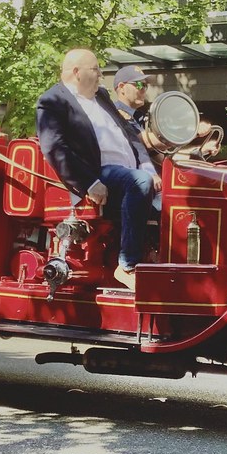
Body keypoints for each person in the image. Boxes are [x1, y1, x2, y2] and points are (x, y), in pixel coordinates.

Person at [37, 49, 160, 291]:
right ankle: (127, 266)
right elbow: (54, 147)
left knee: (174, 202)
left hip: (131, 171)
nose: (101, 76)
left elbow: (130, 135)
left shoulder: (102, 96)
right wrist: (89, 183)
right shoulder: (53, 101)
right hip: (99, 172)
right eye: (96, 70)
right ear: (76, 73)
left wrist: (147, 164)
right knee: (140, 182)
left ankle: (160, 263)